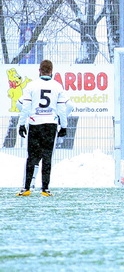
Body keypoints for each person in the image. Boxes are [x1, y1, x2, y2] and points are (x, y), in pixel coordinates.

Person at [16, 59, 69, 197]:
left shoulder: (31, 86)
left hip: (35, 124)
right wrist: (64, 126)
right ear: (52, 72)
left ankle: (26, 188)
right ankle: (45, 189)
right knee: (47, 157)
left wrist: (21, 124)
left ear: (39, 70)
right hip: (50, 126)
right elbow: (62, 109)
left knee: (31, 157)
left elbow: (26, 107)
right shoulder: (58, 86)